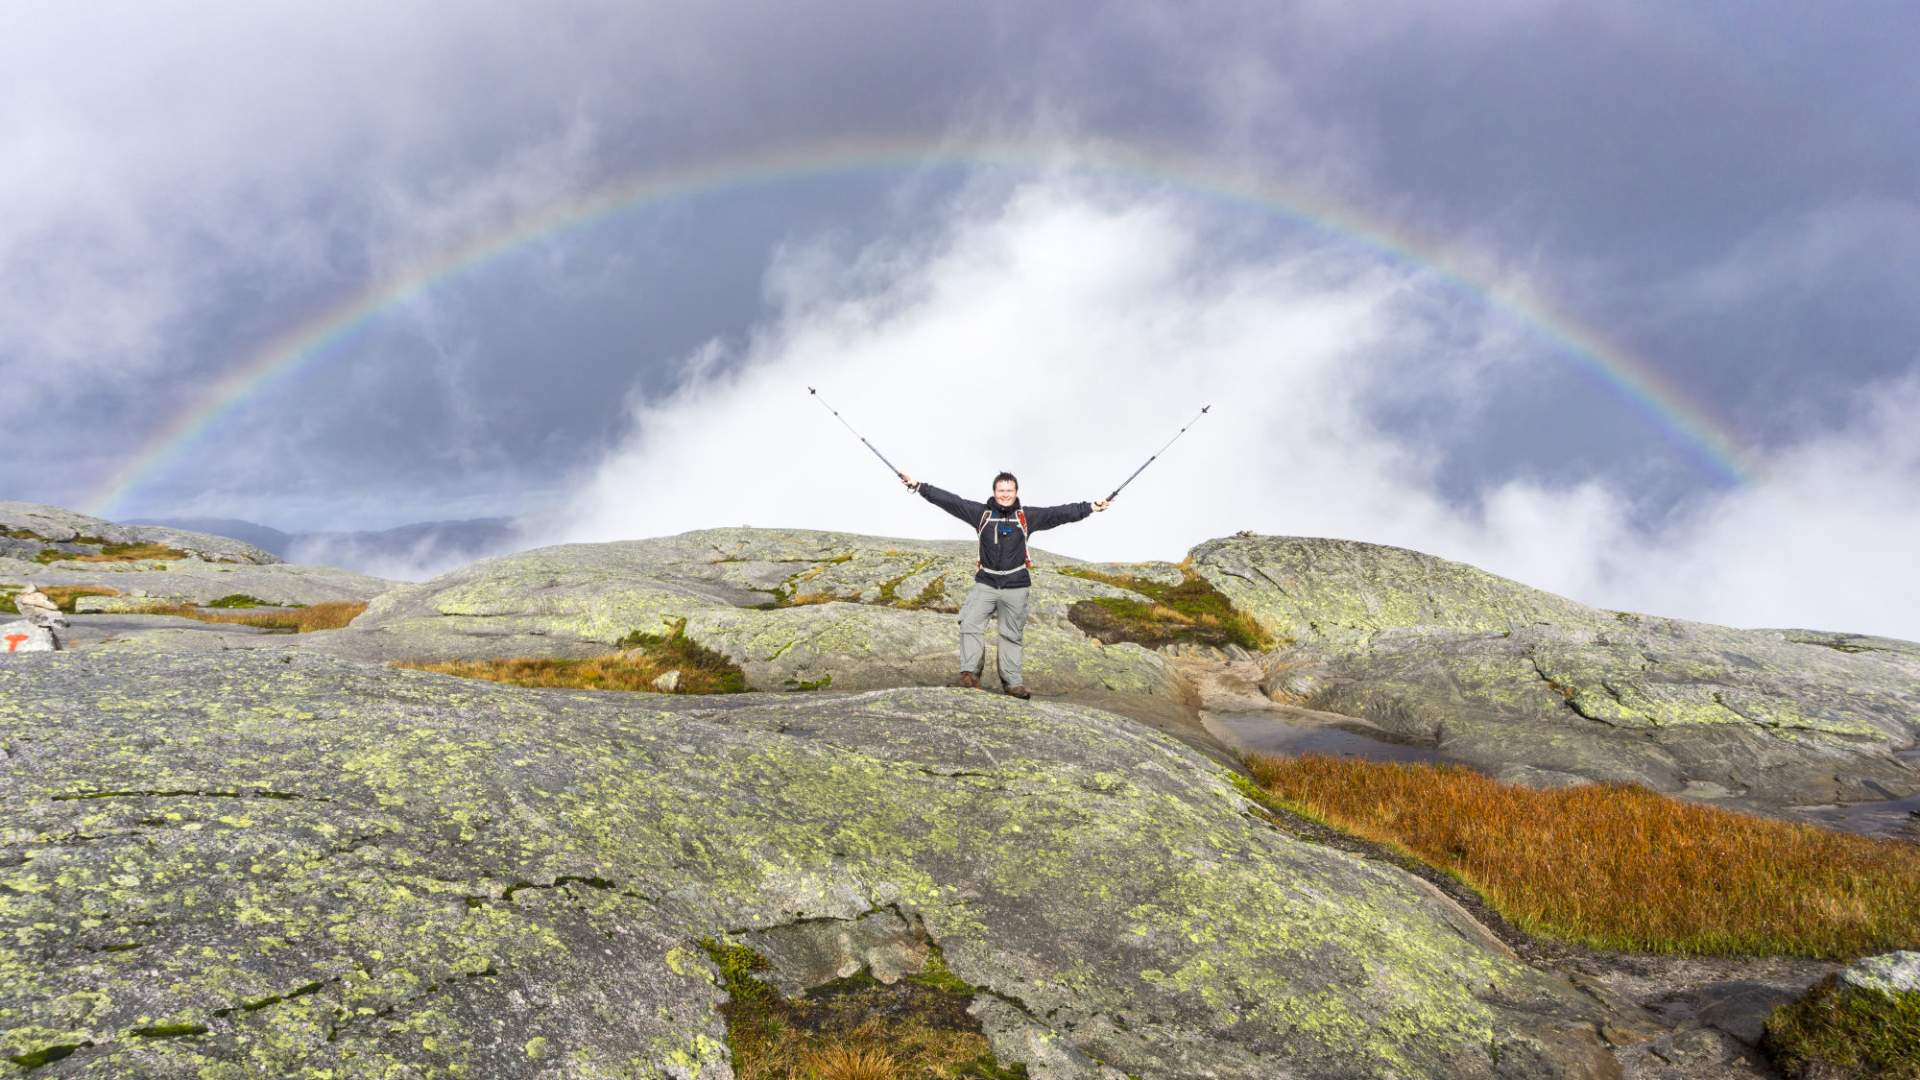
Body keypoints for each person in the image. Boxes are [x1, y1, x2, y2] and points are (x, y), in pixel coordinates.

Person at [899, 470, 1109, 698]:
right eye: (1001, 491)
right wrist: (919, 486)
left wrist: (1090, 507)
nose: (1005, 495)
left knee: (1011, 635)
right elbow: (951, 501)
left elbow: (1059, 513)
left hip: (1016, 585)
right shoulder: (981, 514)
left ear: (1016, 492)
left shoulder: (1026, 517)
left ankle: (1013, 684)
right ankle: (970, 675)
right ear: (994, 492)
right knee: (969, 623)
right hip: (986, 583)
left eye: (1009, 491)